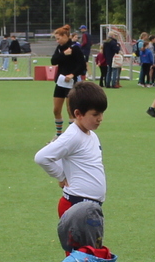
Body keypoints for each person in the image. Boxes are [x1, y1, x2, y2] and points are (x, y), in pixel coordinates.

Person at [34, 81, 106, 217]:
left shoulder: (91, 135)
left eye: (102, 113)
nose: (100, 118)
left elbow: (64, 156)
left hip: (89, 206)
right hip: (76, 205)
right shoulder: (73, 136)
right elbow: (41, 157)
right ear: (78, 114)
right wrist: (61, 176)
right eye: (95, 114)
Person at [47, 24, 87, 135]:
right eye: (56, 39)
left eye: (58, 38)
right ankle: (58, 135)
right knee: (56, 110)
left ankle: (71, 136)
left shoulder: (75, 47)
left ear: (65, 36)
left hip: (71, 82)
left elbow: (82, 65)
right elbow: (53, 61)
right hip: (60, 82)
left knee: (70, 110)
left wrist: (72, 75)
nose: (57, 41)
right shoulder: (60, 48)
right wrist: (63, 54)